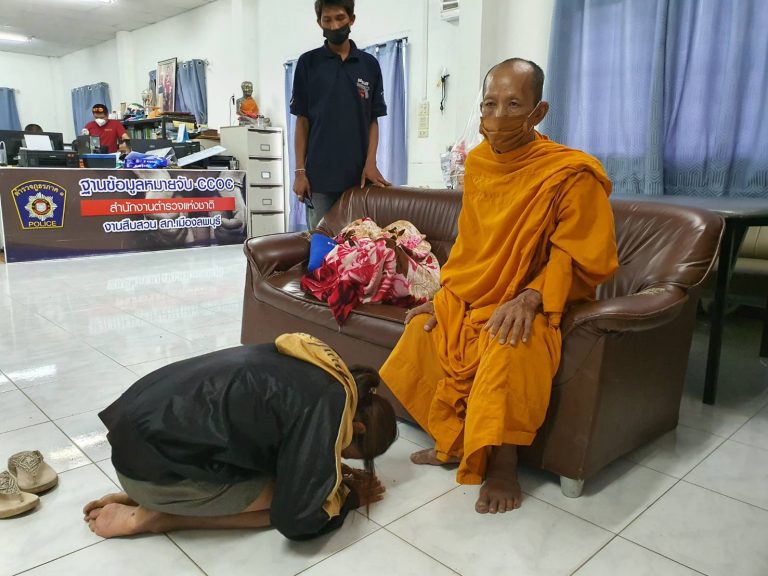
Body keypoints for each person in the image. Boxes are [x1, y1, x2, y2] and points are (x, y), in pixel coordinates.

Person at [379, 58, 619, 515]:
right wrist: (444, 297)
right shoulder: (479, 163)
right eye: (490, 104)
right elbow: (472, 244)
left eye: (513, 105)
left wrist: (531, 297)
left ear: (539, 111)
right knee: (423, 331)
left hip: (541, 296)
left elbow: (578, 254)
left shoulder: (571, 172)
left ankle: (504, 464)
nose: (498, 116)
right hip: (477, 293)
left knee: (511, 346)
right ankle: (453, 441)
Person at [83, 333, 398, 540]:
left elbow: (276, 434)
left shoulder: (321, 367)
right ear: (357, 428)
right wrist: (348, 498)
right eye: (342, 453)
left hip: (136, 441)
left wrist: (330, 473)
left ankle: (155, 496)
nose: (337, 455)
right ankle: (158, 517)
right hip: (151, 473)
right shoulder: (328, 406)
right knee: (282, 501)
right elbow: (296, 518)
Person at [291, 0, 391, 230]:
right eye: (327, 20)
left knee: (359, 244)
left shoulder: (369, 65)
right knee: (321, 244)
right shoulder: (308, 63)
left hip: (359, 180)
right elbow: (302, 121)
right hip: (319, 180)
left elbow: (373, 120)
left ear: (351, 20)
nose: (334, 26)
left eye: (340, 18)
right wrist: (299, 172)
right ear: (319, 23)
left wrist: (371, 163)